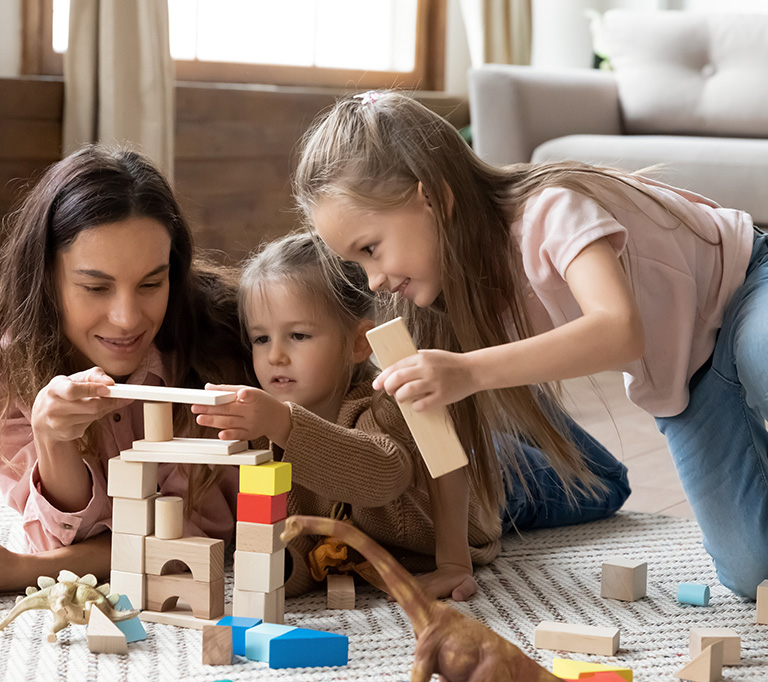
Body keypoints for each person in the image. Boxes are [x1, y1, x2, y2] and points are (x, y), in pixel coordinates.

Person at [293, 90, 767, 599]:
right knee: (751, 575)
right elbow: (446, 438)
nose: (374, 280)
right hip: (689, 371)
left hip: (745, 283)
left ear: (433, 198)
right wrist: (454, 561)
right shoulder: (439, 303)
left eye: (371, 249)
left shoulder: (551, 209)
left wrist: (469, 370)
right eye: (358, 263)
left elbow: (619, 330)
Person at [193, 232, 629, 601]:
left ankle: (510, 400)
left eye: (299, 335)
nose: (276, 356)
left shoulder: (384, 406)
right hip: (435, 458)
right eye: (261, 338)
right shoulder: (266, 431)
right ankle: (486, 410)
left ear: (360, 344)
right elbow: (301, 543)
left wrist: (284, 423)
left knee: (607, 485)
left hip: (489, 489)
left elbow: (381, 475)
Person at [0, 145, 249, 600]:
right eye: (95, 287)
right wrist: (53, 440)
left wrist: (18, 570)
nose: (127, 318)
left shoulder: (217, 339)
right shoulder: (8, 366)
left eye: (151, 283)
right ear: (47, 276)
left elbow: (190, 539)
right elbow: (62, 539)